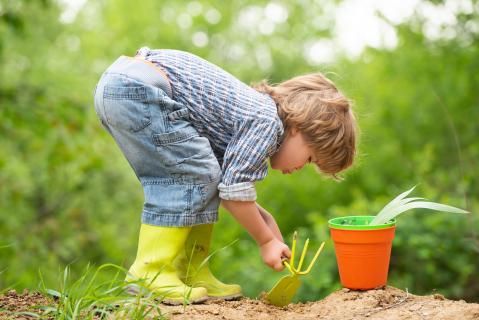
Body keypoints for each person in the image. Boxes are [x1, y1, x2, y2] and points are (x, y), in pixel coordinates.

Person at [93, 46, 357, 305]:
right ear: (299, 127)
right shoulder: (267, 123)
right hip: (139, 89)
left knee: (205, 176)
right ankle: (151, 271)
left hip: (124, 85)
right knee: (190, 174)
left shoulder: (252, 114)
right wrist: (265, 241)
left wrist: (266, 223)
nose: (301, 167)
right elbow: (234, 194)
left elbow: (226, 187)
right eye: (310, 158)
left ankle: (191, 271)